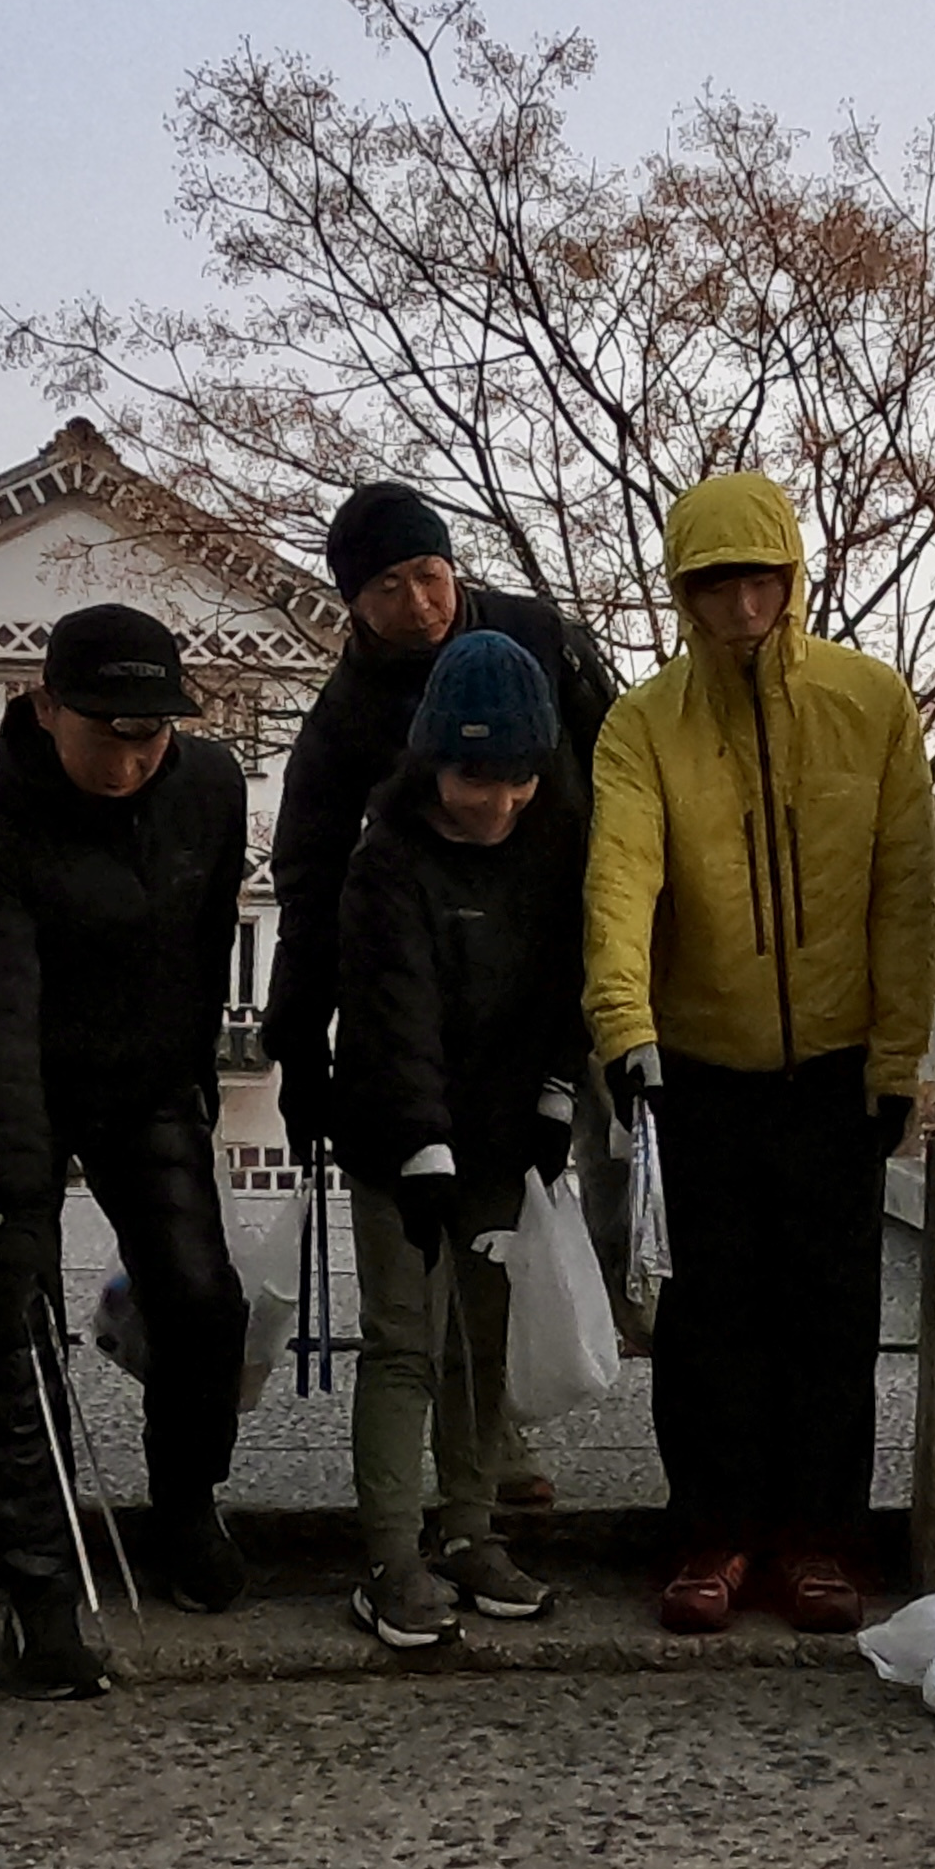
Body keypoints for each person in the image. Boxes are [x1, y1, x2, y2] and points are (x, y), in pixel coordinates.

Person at [583, 470, 935, 1635]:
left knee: (832, 1316)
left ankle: (820, 1536)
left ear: (794, 577)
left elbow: (907, 890)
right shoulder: (642, 720)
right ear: (681, 592)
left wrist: (900, 1056)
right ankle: (712, 1530)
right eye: (714, 583)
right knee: (704, 1320)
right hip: (695, 1062)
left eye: (759, 578)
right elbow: (619, 878)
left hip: (836, 1064)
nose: (741, 605)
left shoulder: (869, 700)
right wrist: (622, 1024)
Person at [262, 479, 620, 1507]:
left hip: (554, 943)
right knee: (438, 1222)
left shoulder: (536, 637)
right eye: (385, 587)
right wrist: (294, 1040)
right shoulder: (342, 722)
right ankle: (474, 1443)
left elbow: (625, 769)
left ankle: (514, 1397)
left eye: (428, 573)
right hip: (421, 972)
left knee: (550, 1178)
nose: (417, 601)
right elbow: (309, 882)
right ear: (352, 603)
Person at [0, 603, 253, 1698]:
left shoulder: (207, 789)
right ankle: (38, 1589)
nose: (130, 757)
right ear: (44, 706)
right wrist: (14, 1193)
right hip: (20, 1081)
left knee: (202, 1297)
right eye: (107, 732)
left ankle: (186, 1499)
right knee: (10, 1319)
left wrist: (196, 1069)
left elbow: (210, 934)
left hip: (151, 1079)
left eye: (151, 734)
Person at [333, 632, 588, 1646]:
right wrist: (422, 1150)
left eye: (517, 778)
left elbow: (567, 989)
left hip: (502, 1131)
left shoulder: (555, 849)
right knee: (403, 1337)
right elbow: (393, 1013)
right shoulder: (385, 859)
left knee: (480, 1343)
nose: (496, 802)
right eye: (476, 778)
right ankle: (390, 1555)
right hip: (399, 1138)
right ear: (434, 762)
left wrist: (557, 1101)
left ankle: (471, 1531)